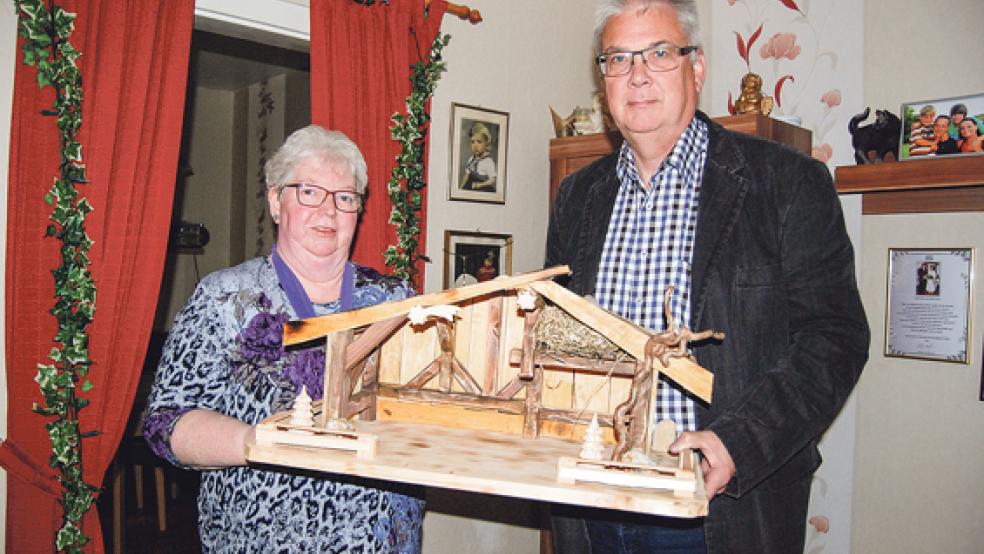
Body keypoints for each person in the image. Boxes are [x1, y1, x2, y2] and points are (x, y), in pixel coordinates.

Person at [544, 1, 870, 552]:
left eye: (660, 53)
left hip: (721, 511)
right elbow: (556, 333)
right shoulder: (578, 196)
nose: (638, 74)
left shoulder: (788, 184)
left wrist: (736, 444)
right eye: (619, 58)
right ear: (604, 82)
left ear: (696, 68)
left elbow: (835, 340)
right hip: (593, 501)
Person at [143, 125, 423, 553]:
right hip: (260, 539)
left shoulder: (395, 299)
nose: (329, 211)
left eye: (345, 198)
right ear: (276, 201)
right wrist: (255, 441)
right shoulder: (223, 298)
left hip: (380, 540)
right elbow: (166, 423)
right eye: (310, 191)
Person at [460, 122, 497, 191]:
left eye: (479, 142)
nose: (475, 145)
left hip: (483, 190)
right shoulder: (471, 159)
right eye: (472, 142)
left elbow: (493, 180)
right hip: (471, 189)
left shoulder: (488, 161)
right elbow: (466, 175)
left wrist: (479, 185)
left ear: (486, 144)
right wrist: (460, 189)